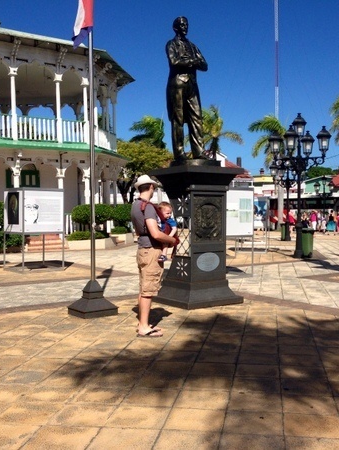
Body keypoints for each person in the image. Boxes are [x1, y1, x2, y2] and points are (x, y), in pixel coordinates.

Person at [131, 175, 177, 338]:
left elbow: (138, 231)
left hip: (142, 249)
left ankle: (142, 322)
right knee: (148, 290)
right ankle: (144, 326)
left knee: (144, 287)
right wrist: (172, 240)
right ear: (150, 187)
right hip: (151, 250)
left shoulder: (135, 205)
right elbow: (155, 233)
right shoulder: (148, 207)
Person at [166, 16, 208, 163]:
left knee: (196, 117)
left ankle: (199, 151)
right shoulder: (171, 44)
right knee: (178, 119)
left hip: (192, 85)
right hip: (177, 83)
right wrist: (192, 61)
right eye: (182, 25)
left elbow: (204, 65)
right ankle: (179, 153)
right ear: (175, 27)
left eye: (187, 25)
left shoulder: (193, 46)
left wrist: (190, 61)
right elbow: (174, 61)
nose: (185, 27)